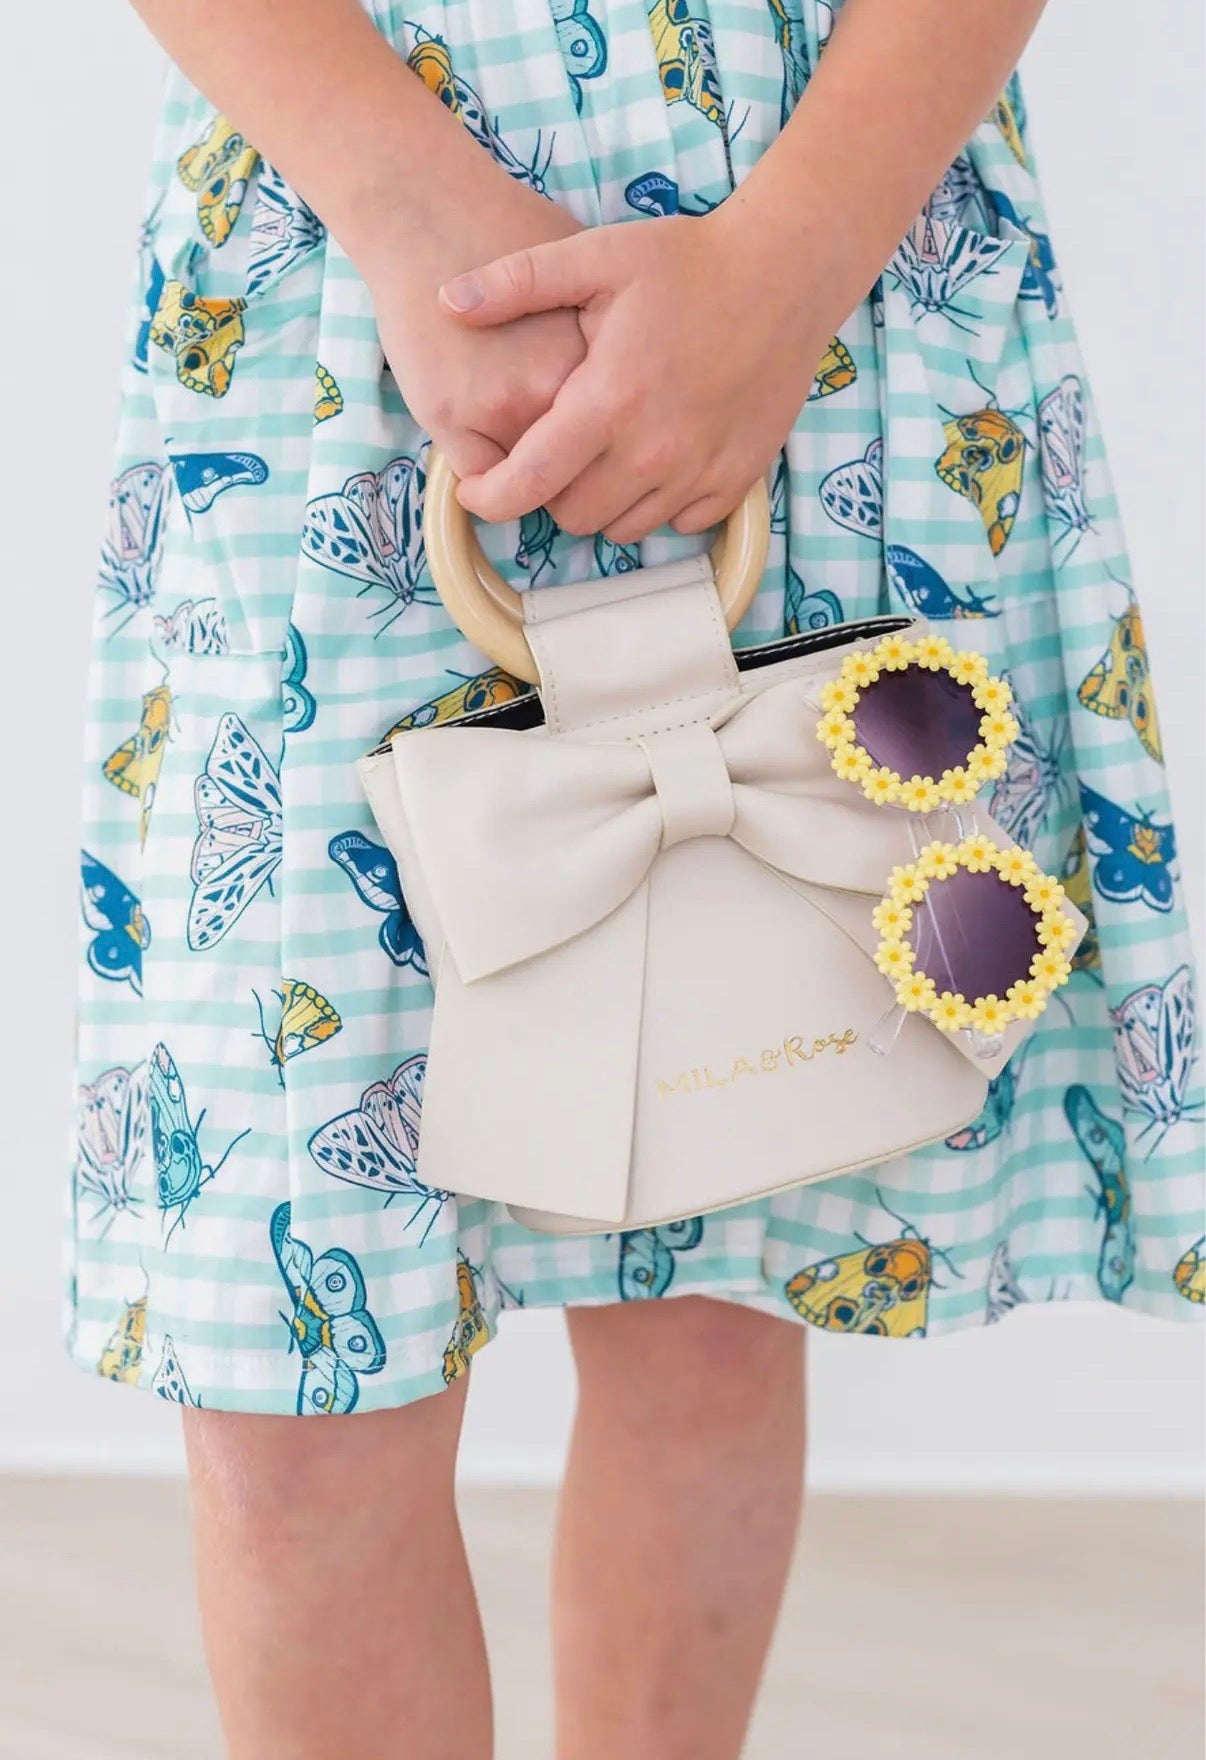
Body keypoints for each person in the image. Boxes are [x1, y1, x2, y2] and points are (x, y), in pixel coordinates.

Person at [69, 1, 1203, 1755]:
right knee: (288, 1395)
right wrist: (410, 207)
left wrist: (787, 260)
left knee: (719, 1273)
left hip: (806, 249)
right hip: (336, 290)